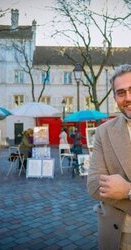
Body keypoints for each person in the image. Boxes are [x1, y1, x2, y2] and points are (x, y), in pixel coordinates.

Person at [87, 64, 131, 250]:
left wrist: (127, 190)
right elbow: (94, 186)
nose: (128, 98)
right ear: (114, 98)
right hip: (118, 235)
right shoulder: (104, 132)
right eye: (121, 93)